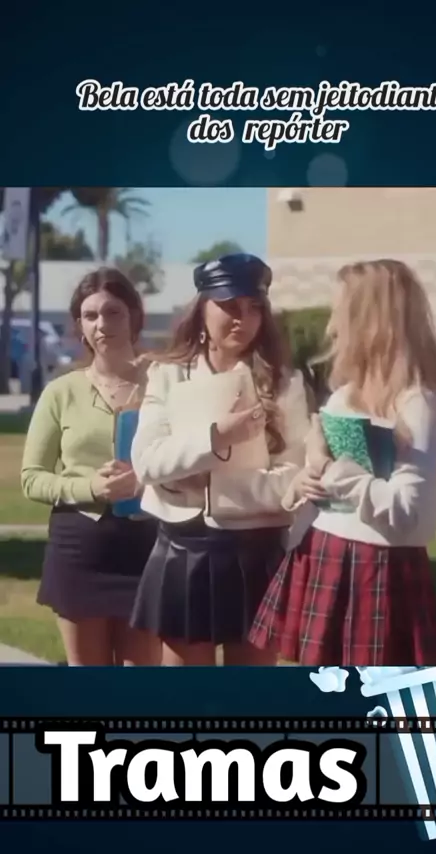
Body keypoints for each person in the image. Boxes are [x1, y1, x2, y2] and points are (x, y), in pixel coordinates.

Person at [249, 259, 436, 667]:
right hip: (324, 553)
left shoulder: (417, 403)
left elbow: (409, 514)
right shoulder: (344, 396)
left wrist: (331, 469)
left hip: (377, 569)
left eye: (340, 312)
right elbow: (325, 486)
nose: (331, 328)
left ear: (368, 321)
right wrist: (306, 479)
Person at [130, 253, 311, 666]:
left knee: (250, 696)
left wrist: (215, 487)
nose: (241, 319)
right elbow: (146, 461)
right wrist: (216, 439)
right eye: (229, 305)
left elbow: (295, 477)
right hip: (184, 549)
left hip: (257, 550)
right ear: (201, 308)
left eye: (253, 307)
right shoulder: (168, 374)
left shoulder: (285, 383)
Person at [21, 267, 161, 666]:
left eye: (113, 312)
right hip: (79, 550)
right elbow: (31, 478)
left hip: (150, 547)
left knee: (140, 686)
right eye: (90, 315)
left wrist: (146, 482)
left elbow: (188, 462)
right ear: (80, 325)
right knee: (86, 685)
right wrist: (91, 488)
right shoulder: (60, 392)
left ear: (134, 316)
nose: (102, 324)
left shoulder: (164, 385)